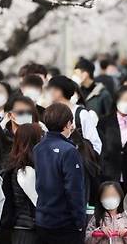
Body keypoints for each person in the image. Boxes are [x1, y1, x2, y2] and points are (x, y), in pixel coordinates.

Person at [34, 103, 86, 244]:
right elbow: (74, 189)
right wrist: (80, 221)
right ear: (68, 123)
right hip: (64, 222)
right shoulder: (69, 151)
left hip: (42, 218)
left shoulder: (38, 148)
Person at [0, 123, 43, 244]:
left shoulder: (14, 166)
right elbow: (38, 201)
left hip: (19, 227)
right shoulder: (26, 171)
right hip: (28, 228)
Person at [47, 75, 102, 154]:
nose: (49, 92)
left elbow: (95, 144)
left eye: (50, 89)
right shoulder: (49, 112)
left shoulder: (81, 114)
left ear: (58, 91)